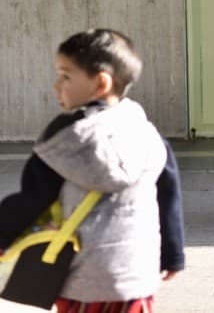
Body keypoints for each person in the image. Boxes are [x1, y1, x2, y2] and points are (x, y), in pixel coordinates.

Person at [0, 29, 185, 311]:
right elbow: (167, 196)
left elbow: (32, 200)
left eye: (65, 76)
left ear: (100, 83)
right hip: (134, 274)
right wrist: (172, 254)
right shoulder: (148, 135)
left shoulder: (65, 139)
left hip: (81, 279)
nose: (56, 86)